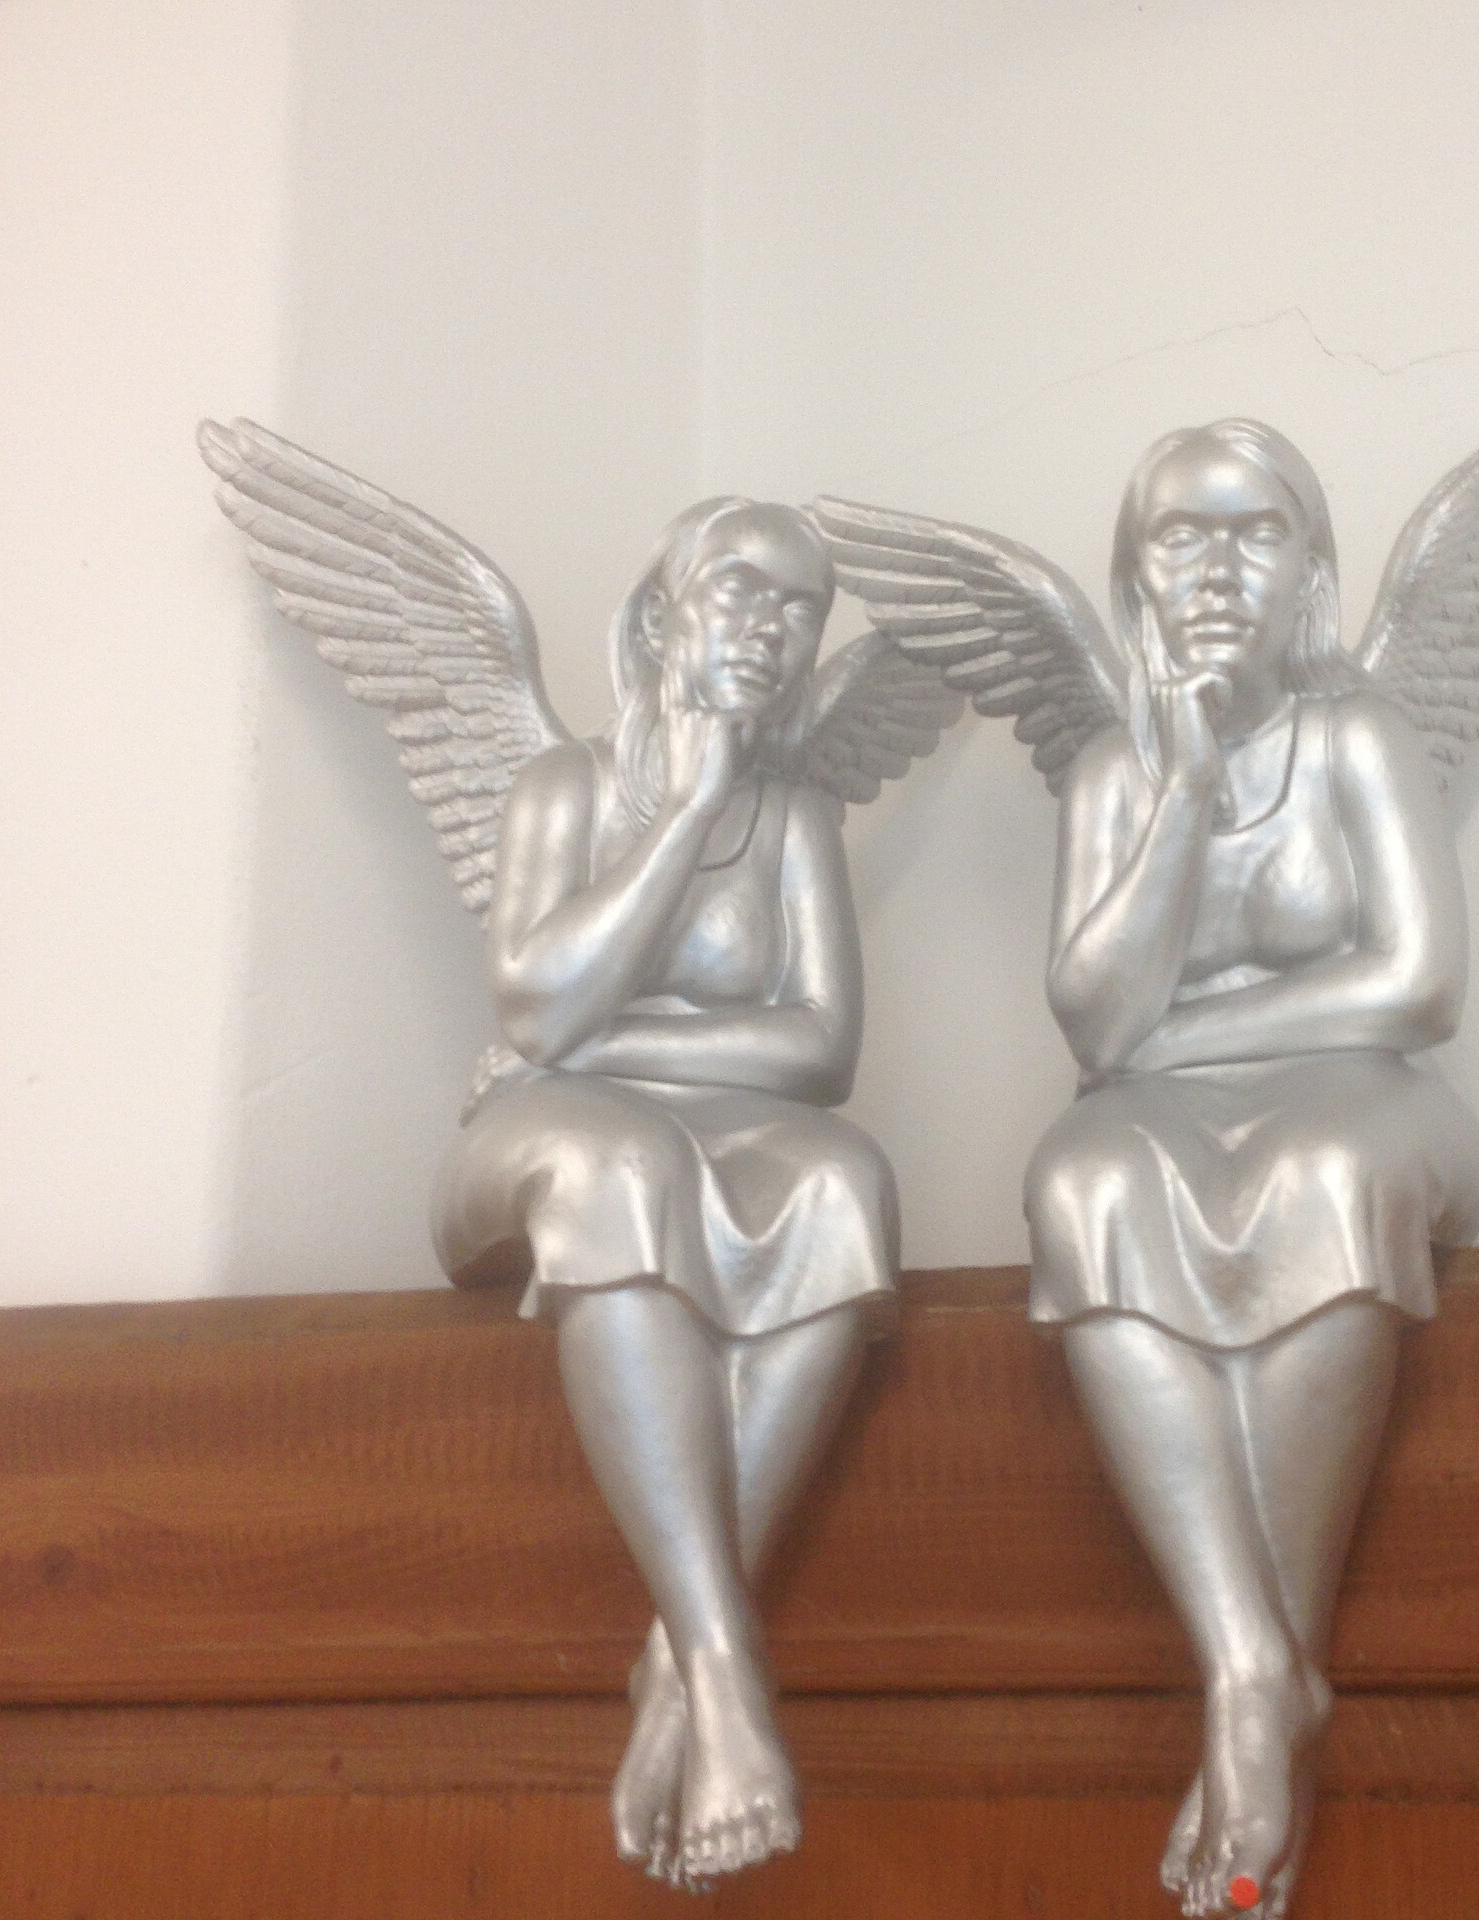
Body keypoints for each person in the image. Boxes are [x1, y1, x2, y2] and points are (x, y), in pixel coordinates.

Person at [1023, 421, 1479, 1917]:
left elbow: (1419, 986)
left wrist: (1179, 1038)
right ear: (1135, 581)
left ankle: (1273, 1676)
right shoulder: (1113, 772)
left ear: (1311, 570)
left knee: (1328, 1174)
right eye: (1180, 536)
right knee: (1080, 1182)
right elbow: (1094, 1017)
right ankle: (1251, 1671)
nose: (1217, 568)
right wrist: (1183, 786)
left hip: (1376, 1109)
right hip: (1162, 1128)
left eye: (1255, 532)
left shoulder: (1359, 741)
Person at [432, 498, 899, 1887]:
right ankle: (729, 1677)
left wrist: (595, 1044)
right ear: (660, 616)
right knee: (618, 1162)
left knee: (846, 1181)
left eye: (801, 608)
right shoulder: (565, 790)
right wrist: (689, 807)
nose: (772, 628)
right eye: (740, 591)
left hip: (711, 1128)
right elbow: (535, 1001)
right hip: (532, 1153)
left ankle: (676, 1669)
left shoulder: (797, 816)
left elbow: (819, 1052)